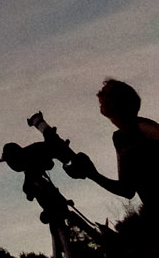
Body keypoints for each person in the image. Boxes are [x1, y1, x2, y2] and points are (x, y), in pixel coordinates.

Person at [67, 80, 159, 226]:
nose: (99, 95)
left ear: (119, 101)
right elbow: (126, 189)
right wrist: (91, 174)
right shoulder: (119, 139)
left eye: (104, 93)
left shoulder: (144, 127)